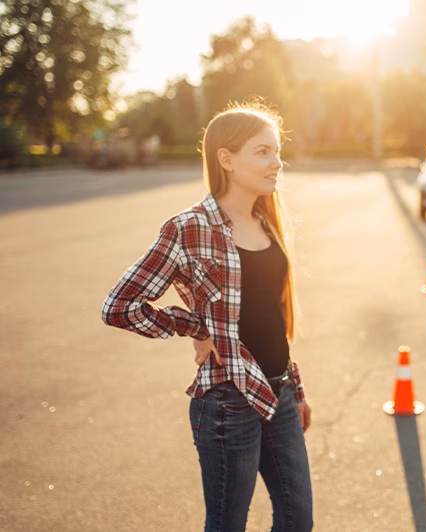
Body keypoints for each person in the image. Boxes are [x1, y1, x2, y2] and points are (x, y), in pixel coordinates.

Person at [101, 102, 313, 532]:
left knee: (297, 521)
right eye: (263, 152)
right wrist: (197, 328)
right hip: (227, 401)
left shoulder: (267, 222)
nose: (277, 162)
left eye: (276, 151)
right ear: (226, 159)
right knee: (226, 526)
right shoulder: (189, 227)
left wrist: (297, 388)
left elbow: (270, 317)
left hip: (280, 392)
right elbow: (120, 306)